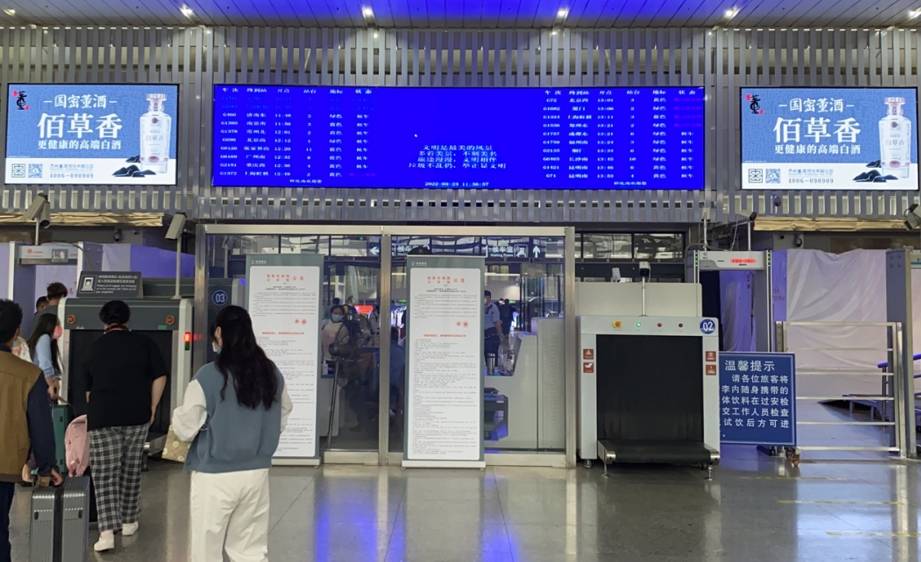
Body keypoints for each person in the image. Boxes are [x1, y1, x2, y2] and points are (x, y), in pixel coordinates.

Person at [172, 305, 292, 562]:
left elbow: (185, 428)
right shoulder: (270, 373)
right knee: (250, 550)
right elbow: (284, 411)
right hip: (256, 472)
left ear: (218, 333)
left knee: (206, 549)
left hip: (214, 474)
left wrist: (179, 417)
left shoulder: (207, 376)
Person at [83, 300, 168, 552]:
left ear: (104, 321)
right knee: (131, 468)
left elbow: (88, 391)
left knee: (104, 473)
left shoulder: (94, 348)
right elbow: (160, 375)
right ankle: (129, 521)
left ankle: (106, 533)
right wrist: (152, 406)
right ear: (127, 320)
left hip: (102, 416)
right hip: (136, 414)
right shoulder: (144, 343)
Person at [0, 299, 61, 562]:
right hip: (4, 467)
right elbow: (41, 428)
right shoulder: (29, 374)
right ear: (16, 332)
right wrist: (46, 468)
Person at [28, 313, 63, 400]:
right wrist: (52, 386)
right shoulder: (44, 338)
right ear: (49, 324)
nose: (60, 327)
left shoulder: (46, 340)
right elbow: (45, 365)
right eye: (57, 324)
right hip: (40, 386)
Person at [483, 290, 503, 367]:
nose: (485, 299)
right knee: (486, 354)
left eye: (486, 298)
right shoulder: (481, 307)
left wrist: (500, 335)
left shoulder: (493, 307)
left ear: (489, 298)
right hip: (484, 335)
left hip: (491, 334)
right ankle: (489, 370)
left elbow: (497, 323)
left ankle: (493, 371)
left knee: (491, 355)